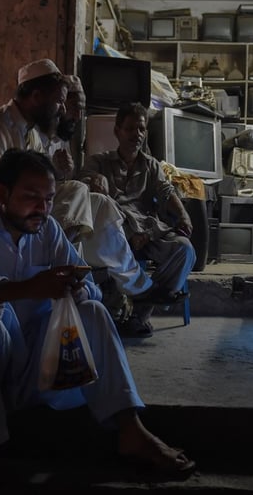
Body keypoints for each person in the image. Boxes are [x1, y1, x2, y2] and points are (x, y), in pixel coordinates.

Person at [0, 149, 195, 490]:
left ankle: (130, 430)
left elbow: (91, 292)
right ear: (1, 193)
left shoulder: (48, 229)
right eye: (31, 197)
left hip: (29, 367)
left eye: (49, 199)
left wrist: (76, 288)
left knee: (93, 311)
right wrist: (23, 289)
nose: (43, 208)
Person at [0, 60, 165, 309]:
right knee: (78, 195)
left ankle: (136, 286)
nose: (62, 110)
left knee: (99, 204)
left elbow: (41, 186)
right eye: (59, 101)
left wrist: (62, 175)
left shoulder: (31, 132)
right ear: (36, 97)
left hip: (19, 210)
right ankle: (70, 273)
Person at [82, 102, 197, 338]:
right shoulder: (98, 161)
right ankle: (117, 311)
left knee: (184, 249)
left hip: (147, 232)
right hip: (117, 236)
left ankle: (139, 315)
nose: (137, 135)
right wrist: (93, 180)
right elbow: (82, 187)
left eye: (141, 129)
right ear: (117, 131)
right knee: (105, 241)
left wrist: (183, 215)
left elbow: (166, 192)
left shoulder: (151, 165)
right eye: (131, 128)